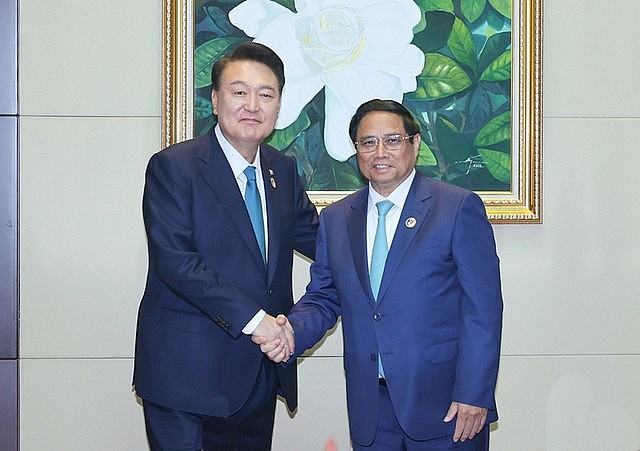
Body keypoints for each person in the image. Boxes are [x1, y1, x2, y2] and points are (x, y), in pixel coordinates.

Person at [257, 99, 503, 450]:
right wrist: (290, 332)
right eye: (368, 142)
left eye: (393, 140)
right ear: (356, 150)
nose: (380, 151)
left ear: (415, 144)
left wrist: (475, 393)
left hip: (447, 406)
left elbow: (483, 308)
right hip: (371, 407)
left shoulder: (457, 207)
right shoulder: (337, 218)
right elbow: (325, 296)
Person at [133, 41, 318, 450]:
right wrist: (258, 321)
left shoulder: (282, 171)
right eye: (239, 92)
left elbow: (324, 241)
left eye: (266, 94)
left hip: (257, 376)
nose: (253, 104)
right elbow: (177, 263)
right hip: (186, 378)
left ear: (279, 105)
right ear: (216, 100)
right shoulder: (174, 167)